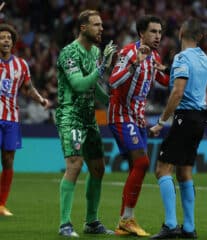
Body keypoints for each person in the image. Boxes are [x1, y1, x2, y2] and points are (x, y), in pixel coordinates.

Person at [55, 10, 117, 237]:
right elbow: (80, 85)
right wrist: (102, 69)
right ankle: (65, 224)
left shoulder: (96, 52)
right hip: (70, 115)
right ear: (83, 27)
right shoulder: (69, 53)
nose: (102, 28)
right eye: (96, 25)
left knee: (98, 168)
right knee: (74, 163)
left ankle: (92, 222)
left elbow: (93, 87)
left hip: (89, 117)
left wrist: (112, 102)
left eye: (102, 24)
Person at [149, 18, 207, 239]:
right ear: (201, 36)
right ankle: (189, 228)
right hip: (200, 120)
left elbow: (178, 92)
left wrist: (161, 121)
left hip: (184, 117)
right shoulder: (204, 58)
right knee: (184, 171)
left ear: (182, 31)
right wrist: (165, 70)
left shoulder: (182, 57)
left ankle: (171, 225)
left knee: (162, 168)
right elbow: (188, 79)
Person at [108, 15, 169, 236]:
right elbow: (113, 81)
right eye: (153, 31)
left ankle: (125, 221)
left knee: (139, 167)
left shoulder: (154, 57)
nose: (158, 36)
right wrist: (136, 64)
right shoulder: (128, 53)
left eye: (160, 32)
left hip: (139, 118)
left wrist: (174, 70)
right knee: (142, 163)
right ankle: (127, 219)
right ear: (141, 33)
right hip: (121, 115)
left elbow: (165, 81)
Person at [0, 23, 50, 216]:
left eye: (8, 38)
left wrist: (41, 99)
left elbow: (28, 88)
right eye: (2, 37)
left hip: (11, 118)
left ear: (13, 43)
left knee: (8, 160)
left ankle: (1, 204)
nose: (5, 40)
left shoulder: (20, 65)